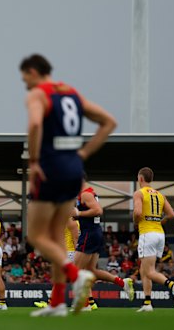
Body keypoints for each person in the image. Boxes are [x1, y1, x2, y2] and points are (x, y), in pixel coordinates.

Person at [20, 54, 116, 317]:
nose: (23, 82)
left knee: (36, 236)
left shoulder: (39, 94)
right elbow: (109, 122)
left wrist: (35, 159)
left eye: (24, 76)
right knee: (56, 238)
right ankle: (58, 303)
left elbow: (36, 123)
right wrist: (84, 154)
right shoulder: (72, 93)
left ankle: (76, 276)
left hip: (52, 167)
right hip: (73, 168)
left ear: (33, 71)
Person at [73, 179, 134, 311]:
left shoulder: (85, 194)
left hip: (89, 234)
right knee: (90, 271)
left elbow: (98, 210)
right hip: (94, 233)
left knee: (76, 270)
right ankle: (122, 282)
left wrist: (79, 213)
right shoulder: (87, 193)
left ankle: (84, 304)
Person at [133, 167, 174, 312]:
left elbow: (137, 212)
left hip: (147, 233)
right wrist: (159, 221)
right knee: (145, 269)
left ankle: (172, 285)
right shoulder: (160, 195)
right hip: (159, 234)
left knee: (148, 271)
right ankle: (147, 303)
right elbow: (171, 214)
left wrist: (136, 221)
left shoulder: (139, 193)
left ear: (140, 179)